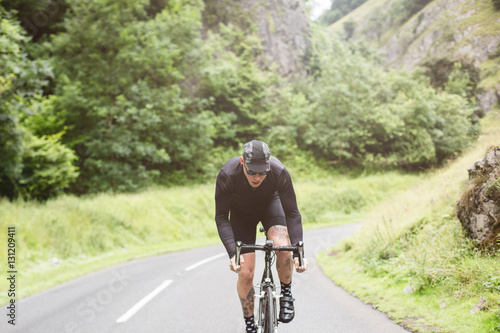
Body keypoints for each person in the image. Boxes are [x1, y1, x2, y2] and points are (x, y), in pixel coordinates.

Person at [215, 139, 308, 333]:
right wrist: (233, 253)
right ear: (242, 162)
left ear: (268, 166)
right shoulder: (227, 174)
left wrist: (298, 251)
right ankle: (250, 323)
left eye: (262, 172)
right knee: (245, 272)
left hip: (270, 206)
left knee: (282, 246)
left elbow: (292, 213)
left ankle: (286, 293)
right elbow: (222, 217)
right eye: (251, 172)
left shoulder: (278, 171)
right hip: (241, 214)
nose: (257, 177)